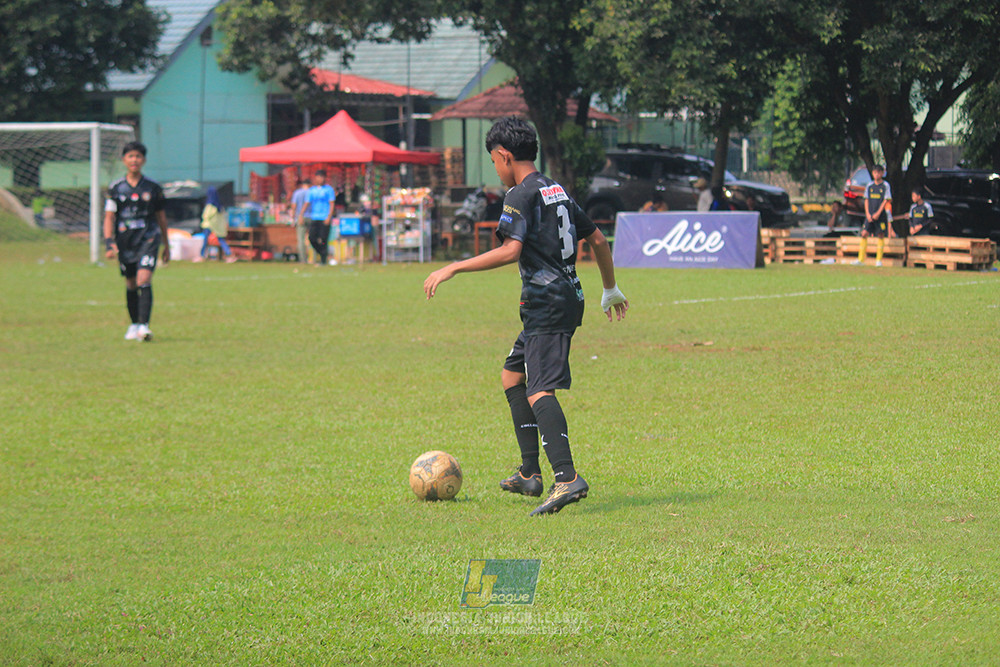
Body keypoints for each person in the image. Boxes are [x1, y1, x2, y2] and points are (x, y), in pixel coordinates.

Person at [423, 117, 629, 517]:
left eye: (494, 162)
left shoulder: (520, 194)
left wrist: (453, 267)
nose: (496, 171)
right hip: (562, 296)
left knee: (539, 390)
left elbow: (509, 251)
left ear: (504, 156)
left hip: (547, 302)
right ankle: (530, 473)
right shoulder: (555, 188)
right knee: (512, 377)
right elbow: (598, 239)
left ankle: (567, 478)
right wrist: (609, 287)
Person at [104, 141, 169, 341]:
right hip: (126, 241)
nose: (134, 160)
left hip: (148, 238)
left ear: (144, 160)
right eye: (131, 156)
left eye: (138, 156)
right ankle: (134, 324)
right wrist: (108, 242)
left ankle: (144, 326)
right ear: (124, 160)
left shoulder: (153, 188)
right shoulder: (116, 188)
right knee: (131, 283)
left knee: (144, 279)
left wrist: (166, 244)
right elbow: (109, 217)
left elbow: (161, 217)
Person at [856, 164, 892, 266]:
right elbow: (866, 200)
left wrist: (878, 213)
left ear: (882, 173)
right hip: (870, 215)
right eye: (875, 172)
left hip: (880, 216)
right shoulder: (869, 185)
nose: (876, 175)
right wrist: (867, 213)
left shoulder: (885, 185)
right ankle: (861, 259)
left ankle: (878, 260)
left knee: (880, 235)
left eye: (878, 172)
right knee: (864, 234)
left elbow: (886, 200)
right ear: (872, 173)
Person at [298, 169, 336, 265]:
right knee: (311, 238)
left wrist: (329, 217)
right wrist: (301, 215)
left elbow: (331, 204)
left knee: (323, 239)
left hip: (324, 217)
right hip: (314, 217)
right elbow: (307, 203)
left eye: (321, 177)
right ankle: (323, 254)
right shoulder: (312, 190)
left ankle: (323, 260)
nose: (320, 179)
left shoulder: (328, 189)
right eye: (318, 177)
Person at [196, 186, 236, 262]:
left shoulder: (210, 205)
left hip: (209, 225)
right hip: (218, 227)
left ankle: (202, 255)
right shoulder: (219, 206)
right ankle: (229, 254)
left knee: (205, 241)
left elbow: (206, 215)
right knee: (221, 240)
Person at [290, 179, 310, 263]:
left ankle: (303, 260)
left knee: (301, 240)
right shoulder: (311, 192)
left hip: (300, 217)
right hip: (312, 217)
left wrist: (293, 217)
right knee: (312, 239)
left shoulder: (297, 193)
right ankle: (313, 258)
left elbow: (294, 206)